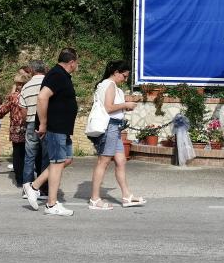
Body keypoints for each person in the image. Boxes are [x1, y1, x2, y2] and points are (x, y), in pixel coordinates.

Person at [23, 49, 78, 216]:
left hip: (62, 128)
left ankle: (33, 186)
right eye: (77, 62)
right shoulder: (57, 75)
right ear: (72, 62)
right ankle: (51, 204)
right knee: (56, 162)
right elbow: (42, 97)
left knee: (65, 159)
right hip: (55, 127)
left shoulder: (61, 75)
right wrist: (44, 123)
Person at [87, 60, 146, 210]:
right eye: (124, 76)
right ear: (116, 72)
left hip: (115, 127)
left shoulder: (109, 85)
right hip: (110, 127)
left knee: (120, 160)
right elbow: (109, 107)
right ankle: (94, 199)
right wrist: (126, 105)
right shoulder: (109, 85)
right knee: (103, 161)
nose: (125, 79)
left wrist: (124, 107)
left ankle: (126, 196)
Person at [0, 70, 30, 188]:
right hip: (29, 128)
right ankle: (28, 180)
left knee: (18, 155)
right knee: (29, 155)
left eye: (18, 83)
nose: (17, 86)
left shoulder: (13, 97)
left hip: (16, 130)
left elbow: (2, 110)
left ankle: (20, 180)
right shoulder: (32, 95)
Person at [19, 59, 48, 194]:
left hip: (30, 122)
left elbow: (23, 110)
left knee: (29, 156)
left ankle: (27, 188)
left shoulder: (26, 86)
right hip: (45, 122)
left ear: (32, 70)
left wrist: (28, 120)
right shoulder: (48, 82)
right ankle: (42, 188)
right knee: (46, 157)